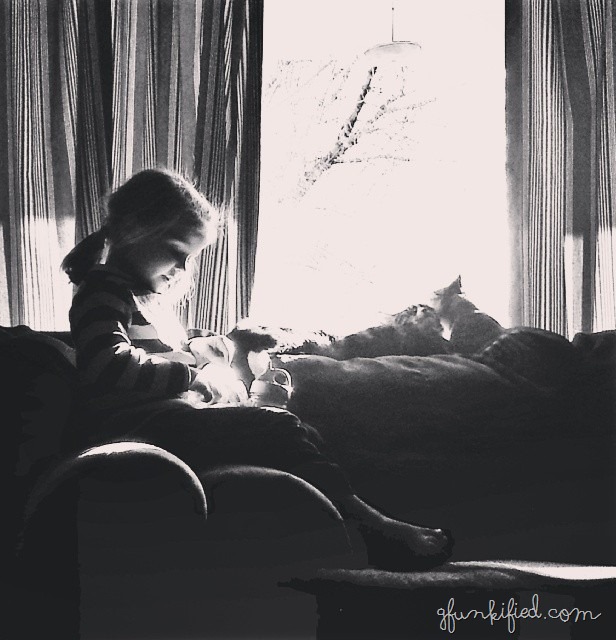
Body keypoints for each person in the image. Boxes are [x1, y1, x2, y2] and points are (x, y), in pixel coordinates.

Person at [61, 168, 453, 571]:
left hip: (164, 422)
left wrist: (197, 345)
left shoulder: (145, 298)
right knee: (276, 426)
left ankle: (358, 517)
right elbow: (107, 365)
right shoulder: (103, 292)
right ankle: (369, 526)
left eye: (190, 256)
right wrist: (191, 374)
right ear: (134, 230)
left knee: (300, 427)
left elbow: (159, 350)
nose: (182, 266)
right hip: (138, 431)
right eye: (176, 250)